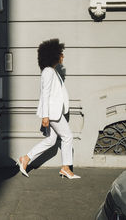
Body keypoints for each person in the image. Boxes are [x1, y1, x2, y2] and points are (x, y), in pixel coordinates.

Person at [16, 39, 80, 179]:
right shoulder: (48, 72)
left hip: (52, 113)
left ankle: (26, 158)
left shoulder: (52, 71)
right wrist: (45, 116)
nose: (63, 56)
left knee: (51, 140)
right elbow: (45, 95)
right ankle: (65, 168)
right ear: (53, 55)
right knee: (67, 136)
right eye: (61, 54)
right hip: (52, 113)